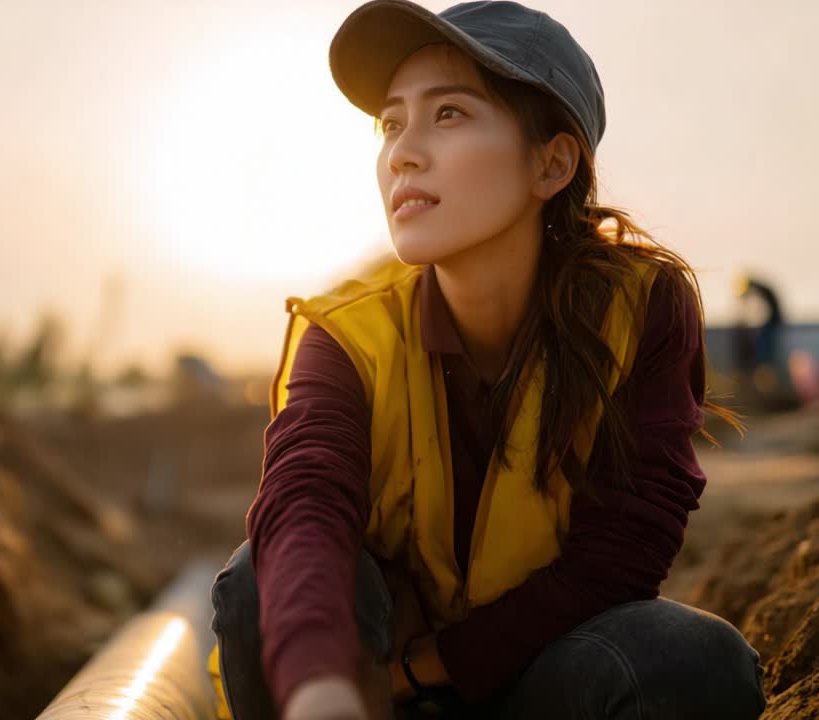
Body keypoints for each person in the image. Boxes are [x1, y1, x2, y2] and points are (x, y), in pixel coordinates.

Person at [210, 2, 767, 718]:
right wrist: (322, 688)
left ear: (552, 163)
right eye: (390, 123)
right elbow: (304, 507)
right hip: (365, 692)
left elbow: (625, 550)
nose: (403, 152)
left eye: (448, 115)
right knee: (261, 578)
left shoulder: (640, 309)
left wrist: (423, 671)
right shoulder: (348, 332)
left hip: (535, 673)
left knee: (690, 661)